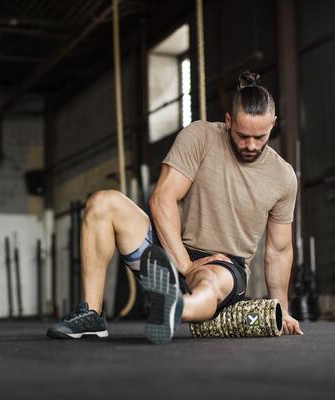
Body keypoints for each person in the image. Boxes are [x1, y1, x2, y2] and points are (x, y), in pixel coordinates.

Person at [47, 71, 304, 343]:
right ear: (229, 121)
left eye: (260, 137)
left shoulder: (283, 176)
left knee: (209, 278)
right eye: (242, 136)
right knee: (102, 202)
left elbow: (278, 249)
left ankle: (177, 307)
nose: (251, 145)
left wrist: (283, 309)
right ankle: (92, 315)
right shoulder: (200, 137)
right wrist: (183, 264)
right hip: (169, 252)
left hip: (224, 265)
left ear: (273, 124)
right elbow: (161, 199)